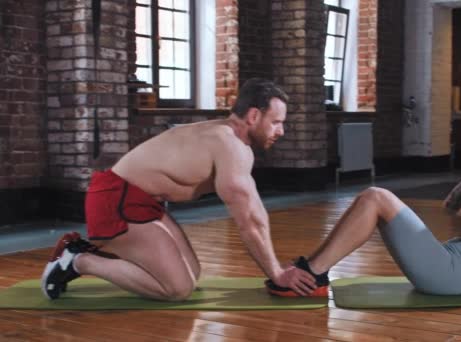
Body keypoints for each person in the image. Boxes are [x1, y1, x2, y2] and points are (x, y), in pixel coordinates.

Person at [42, 78, 320, 301]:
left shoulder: (229, 139)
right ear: (254, 115)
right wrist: (276, 273)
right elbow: (248, 222)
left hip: (140, 200)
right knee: (177, 289)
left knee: (192, 273)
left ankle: (102, 251)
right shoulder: (229, 145)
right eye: (276, 122)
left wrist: (275, 266)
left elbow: (256, 211)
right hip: (115, 199)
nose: (281, 131)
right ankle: (78, 260)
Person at [267, 131, 461, 296]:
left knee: (376, 197)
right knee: (373, 200)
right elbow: (453, 207)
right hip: (446, 264)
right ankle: (314, 268)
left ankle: (314, 274)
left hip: (449, 275)